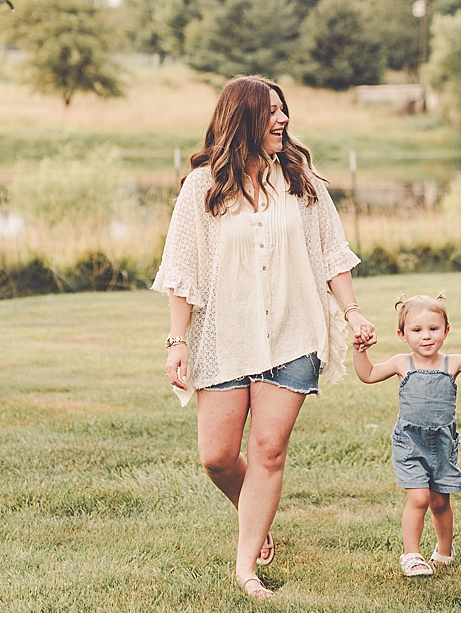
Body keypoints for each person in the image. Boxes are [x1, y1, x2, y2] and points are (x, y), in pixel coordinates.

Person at [154, 76, 378, 601]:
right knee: (216, 456)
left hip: (294, 334)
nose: (282, 120)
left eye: (284, 111)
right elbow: (182, 268)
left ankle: (246, 566)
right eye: (271, 112)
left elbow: (331, 255)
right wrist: (177, 341)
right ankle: (256, 513)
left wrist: (352, 313)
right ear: (244, 120)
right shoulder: (202, 187)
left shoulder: (301, 181)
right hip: (225, 337)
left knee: (268, 452)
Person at [351, 293, 461, 577]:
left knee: (440, 501)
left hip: (442, 445)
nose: (426, 336)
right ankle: (411, 555)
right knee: (419, 498)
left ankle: (444, 552)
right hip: (409, 443)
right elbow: (368, 374)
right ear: (402, 334)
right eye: (417, 330)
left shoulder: (453, 362)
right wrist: (360, 351)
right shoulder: (401, 363)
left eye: (434, 329)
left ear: (446, 331)